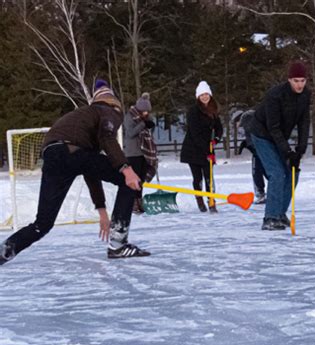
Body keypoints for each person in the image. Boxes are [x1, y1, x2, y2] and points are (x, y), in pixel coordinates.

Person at [0, 79, 150, 265]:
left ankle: (3, 252)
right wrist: (126, 169)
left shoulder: (83, 117)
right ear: (114, 103)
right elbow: (107, 138)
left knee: (42, 224)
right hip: (71, 152)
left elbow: (90, 170)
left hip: (52, 155)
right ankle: (118, 244)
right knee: (129, 181)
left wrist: (102, 211)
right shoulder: (109, 111)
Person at [247, 60, 311, 230]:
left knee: (293, 172)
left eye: (302, 80)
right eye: (296, 81)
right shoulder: (275, 95)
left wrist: (300, 150)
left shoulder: (306, 95)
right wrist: (287, 151)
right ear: (289, 80)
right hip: (262, 134)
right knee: (277, 173)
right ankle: (269, 218)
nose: (299, 84)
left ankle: (280, 214)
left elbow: (304, 122)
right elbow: (273, 127)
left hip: (279, 136)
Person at [180, 81, 223, 213]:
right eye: (202, 95)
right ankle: (200, 200)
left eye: (206, 94)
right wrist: (207, 151)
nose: (205, 97)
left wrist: (216, 139)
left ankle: (211, 201)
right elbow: (195, 133)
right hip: (193, 149)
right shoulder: (193, 111)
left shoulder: (213, 109)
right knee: (197, 177)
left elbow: (219, 128)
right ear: (198, 97)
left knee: (209, 176)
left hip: (207, 147)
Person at [123, 92, 157, 214]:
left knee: (141, 179)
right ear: (139, 109)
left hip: (144, 153)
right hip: (133, 153)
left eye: (148, 111)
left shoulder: (146, 117)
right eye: (144, 111)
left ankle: (139, 200)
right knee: (135, 179)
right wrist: (143, 124)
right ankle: (133, 202)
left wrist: (150, 124)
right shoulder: (129, 117)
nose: (146, 113)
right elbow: (131, 133)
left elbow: (148, 130)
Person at [236, 110, 268, 204]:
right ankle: (275, 191)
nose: (237, 126)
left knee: (257, 171)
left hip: (260, 151)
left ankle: (260, 193)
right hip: (265, 150)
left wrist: (251, 146)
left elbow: (253, 137)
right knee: (266, 171)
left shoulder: (247, 121)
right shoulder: (253, 119)